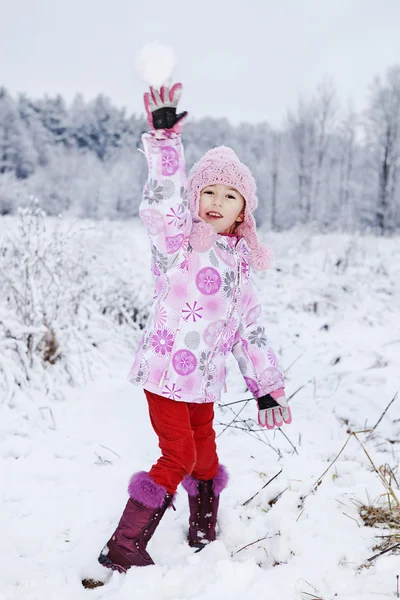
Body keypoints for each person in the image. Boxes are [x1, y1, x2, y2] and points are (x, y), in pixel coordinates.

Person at [98, 83, 292, 573]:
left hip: (203, 382)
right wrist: (165, 144)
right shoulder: (180, 243)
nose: (216, 201)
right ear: (195, 195)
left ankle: (204, 521)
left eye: (229, 196)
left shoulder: (240, 262)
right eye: (208, 191)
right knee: (179, 455)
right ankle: (123, 544)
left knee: (205, 451)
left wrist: (265, 387)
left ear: (242, 210)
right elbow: (162, 205)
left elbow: (250, 328)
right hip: (165, 374)